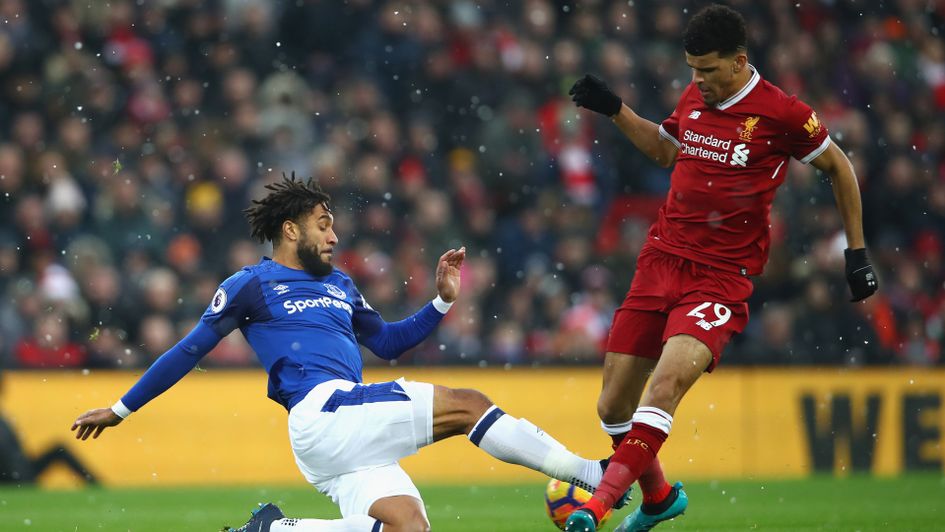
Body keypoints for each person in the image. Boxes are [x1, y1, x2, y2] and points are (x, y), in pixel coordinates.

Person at [71, 174, 624, 532]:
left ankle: (279, 531)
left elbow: (386, 342)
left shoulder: (340, 284)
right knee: (469, 403)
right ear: (291, 229)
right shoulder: (250, 284)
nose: (335, 235)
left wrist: (440, 302)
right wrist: (121, 409)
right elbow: (190, 349)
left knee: (409, 528)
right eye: (324, 224)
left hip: (347, 429)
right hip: (322, 413)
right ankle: (593, 475)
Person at [564, 5, 878, 532]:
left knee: (662, 390)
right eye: (692, 69)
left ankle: (595, 509)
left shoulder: (782, 114)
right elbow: (666, 151)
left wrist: (857, 252)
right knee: (612, 406)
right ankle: (659, 498)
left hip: (720, 277)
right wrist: (617, 109)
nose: (698, 81)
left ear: (739, 62)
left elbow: (838, 166)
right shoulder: (695, 96)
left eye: (707, 70)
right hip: (661, 259)